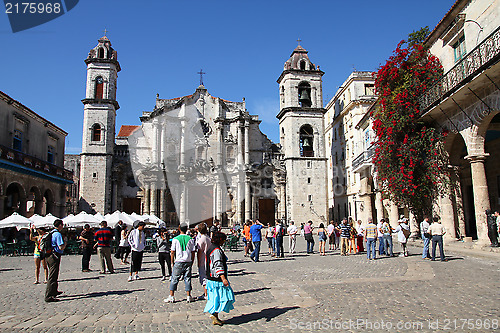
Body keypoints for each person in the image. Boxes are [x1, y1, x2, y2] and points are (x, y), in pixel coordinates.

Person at [204, 232, 235, 326]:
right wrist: (223, 278)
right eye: (223, 240)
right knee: (225, 297)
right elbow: (218, 264)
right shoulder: (216, 250)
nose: (224, 242)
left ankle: (215, 317)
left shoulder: (210, 247)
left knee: (215, 298)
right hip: (217, 279)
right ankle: (214, 314)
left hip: (210, 278)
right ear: (220, 240)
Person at [164, 224, 197, 303]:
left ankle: (171, 296)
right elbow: (193, 252)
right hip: (188, 260)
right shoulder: (190, 239)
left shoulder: (175, 239)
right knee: (188, 278)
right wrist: (192, 260)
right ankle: (189, 296)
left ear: (179, 229)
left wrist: (172, 262)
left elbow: (172, 252)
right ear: (187, 229)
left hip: (179, 261)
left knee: (174, 278)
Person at [45, 219, 66, 302]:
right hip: (55, 256)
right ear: (60, 225)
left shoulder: (51, 233)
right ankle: (49, 296)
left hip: (49, 255)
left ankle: (54, 291)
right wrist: (65, 243)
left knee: (54, 273)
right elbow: (61, 246)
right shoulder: (57, 234)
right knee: (53, 275)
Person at [196, 222, 212, 300]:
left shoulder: (201, 240)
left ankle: (206, 294)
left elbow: (199, 253)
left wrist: (198, 262)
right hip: (209, 260)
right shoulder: (209, 238)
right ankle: (208, 292)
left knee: (204, 278)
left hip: (203, 261)